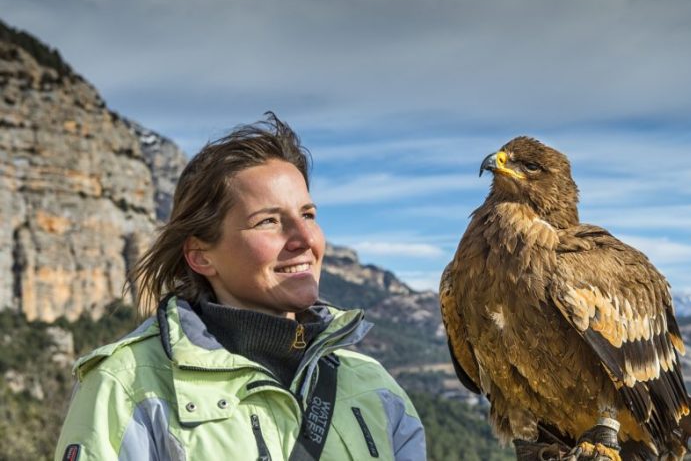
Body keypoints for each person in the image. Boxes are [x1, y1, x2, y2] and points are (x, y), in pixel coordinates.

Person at [55, 113, 426, 460]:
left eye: (308, 214)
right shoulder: (125, 385)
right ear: (201, 257)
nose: (304, 238)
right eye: (268, 221)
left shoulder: (374, 387)